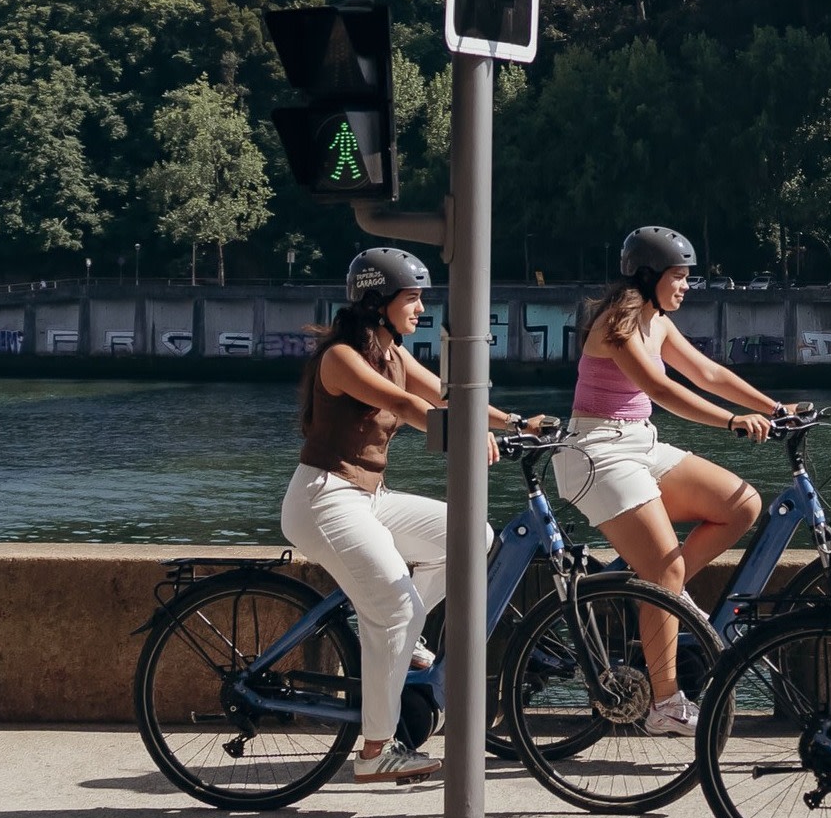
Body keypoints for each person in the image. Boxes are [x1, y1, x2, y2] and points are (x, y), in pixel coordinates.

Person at [283, 248, 555, 784]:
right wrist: (472, 436)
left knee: (472, 536)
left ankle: (398, 640)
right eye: (412, 297)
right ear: (377, 302)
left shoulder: (393, 352)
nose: (421, 307)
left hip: (369, 496)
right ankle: (375, 751)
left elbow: (450, 394)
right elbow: (410, 408)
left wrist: (515, 422)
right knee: (400, 608)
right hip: (323, 498)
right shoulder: (342, 358)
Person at [560, 226, 781, 736]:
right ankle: (664, 703)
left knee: (741, 503)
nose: (686, 287)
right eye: (678, 278)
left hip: (639, 443)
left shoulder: (656, 320)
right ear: (649, 276)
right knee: (666, 569)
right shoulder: (619, 320)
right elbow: (659, 387)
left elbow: (706, 373)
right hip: (597, 451)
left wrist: (773, 408)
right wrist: (730, 421)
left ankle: (657, 593)